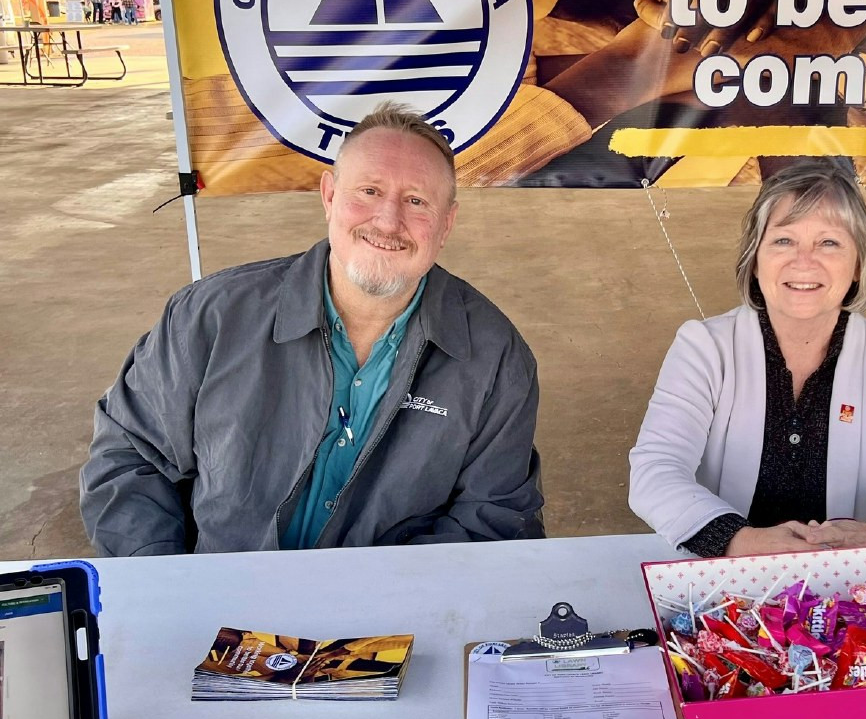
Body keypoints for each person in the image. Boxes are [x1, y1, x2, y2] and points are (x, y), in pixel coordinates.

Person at [81, 102, 545, 555]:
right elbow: (130, 457)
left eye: (416, 201)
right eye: (368, 191)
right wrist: (172, 584)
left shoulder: (495, 356)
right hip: (220, 609)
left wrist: (381, 606)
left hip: (392, 617)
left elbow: (495, 517)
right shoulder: (210, 317)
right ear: (328, 197)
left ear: (446, 224)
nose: (387, 220)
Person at [628, 160, 866, 556]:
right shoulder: (704, 347)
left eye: (829, 242)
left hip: (852, 584)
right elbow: (654, 472)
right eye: (783, 240)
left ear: (858, 265)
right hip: (727, 577)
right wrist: (743, 542)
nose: (804, 261)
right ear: (755, 259)